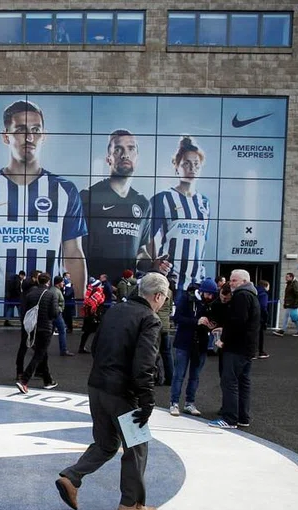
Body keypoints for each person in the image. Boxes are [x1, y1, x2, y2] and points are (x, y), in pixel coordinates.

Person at [55, 271, 169, 510]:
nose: (164, 303)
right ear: (158, 296)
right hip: (123, 392)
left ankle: (72, 477)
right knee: (137, 446)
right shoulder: (150, 319)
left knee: (106, 444)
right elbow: (145, 364)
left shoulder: (115, 310)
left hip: (97, 386)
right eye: (165, 298)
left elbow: (96, 347)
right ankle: (132, 503)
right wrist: (147, 400)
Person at [0, 100, 87, 314]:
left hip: (48, 305)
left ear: (44, 135)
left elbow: (73, 253)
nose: (29, 138)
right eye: (21, 130)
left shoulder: (65, 190)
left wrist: (80, 309)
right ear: (5, 136)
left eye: (36, 130)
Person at [81, 130, 151, 286]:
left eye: (131, 149)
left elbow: (140, 250)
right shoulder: (88, 197)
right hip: (97, 289)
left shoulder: (143, 203)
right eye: (118, 149)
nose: (125, 155)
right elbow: (74, 249)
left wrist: (153, 265)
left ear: (137, 158)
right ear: (109, 158)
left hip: (128, 289)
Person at [145, 136, 211, 292]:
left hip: (196, 282)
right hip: (170, 279)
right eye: (186, 163)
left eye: (196, 164)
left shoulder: (204, 202)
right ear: (176, 166)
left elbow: (203, 241)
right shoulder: (163, 198)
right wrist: (155, 264)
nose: (192, 168)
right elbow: (147, 238)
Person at [208, 269, 261, 429]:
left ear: (244, 282)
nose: (230, 284)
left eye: (234, 281)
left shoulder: (241, 296)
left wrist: (223, 340)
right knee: (243, 381)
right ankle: (243, 417)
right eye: (230, 280)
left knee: (229, 381)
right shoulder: (253, 296)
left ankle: (229, 418)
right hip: (247, 347)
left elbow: (237, 322)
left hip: (236, 348)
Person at [169, 278, 218, 416]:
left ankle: (190, 403)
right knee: (179, 374)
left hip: (201, 343)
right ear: (202, 291)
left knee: (195, 376)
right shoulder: (186, 298)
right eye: (208, 294)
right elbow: (177, 318)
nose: (210, 297)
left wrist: (211, 324)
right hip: (184, 342)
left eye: (212, 295)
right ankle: (174, 403)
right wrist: (197, 321)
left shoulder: (210, 303)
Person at [16, 272, 61, 392]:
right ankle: (24, 380)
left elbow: (25, 310)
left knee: (42, 353)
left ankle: (47, 380)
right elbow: (54, 313)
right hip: (45, 328)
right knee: (39, 354)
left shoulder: (30, 294)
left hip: (32, 328)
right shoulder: (51, 294)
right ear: (48, 282)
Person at [77, 278, 105, 353]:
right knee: (98, 332)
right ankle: (96, 348)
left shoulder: (90, 292)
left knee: (87, 333)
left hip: (89, 316)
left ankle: (81, 347)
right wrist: (95, 315)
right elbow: (93, 305)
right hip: (94, 316)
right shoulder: (97, 294)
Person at [51, 275, 73, 357]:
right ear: (59, 283)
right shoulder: (56, 292)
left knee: (50, 331)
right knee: (62, 330)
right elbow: (55, 304)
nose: (64, 283)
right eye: (62, 282)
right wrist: (59, 310)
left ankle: (39, 347)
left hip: (54, 313)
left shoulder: (54, 290)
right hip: (56, 314)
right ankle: (63, 350)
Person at [256, 279, 271, 359]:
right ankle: (260, 352)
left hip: (253, 316)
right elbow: (263, 307)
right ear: (265, 286)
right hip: (260, 317)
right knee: (260, 335)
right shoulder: (264, 294)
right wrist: (266, 318)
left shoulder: (254, 292)